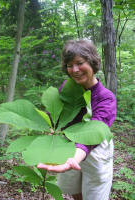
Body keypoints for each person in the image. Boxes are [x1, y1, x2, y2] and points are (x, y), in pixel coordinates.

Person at [37, 39, 117, 200]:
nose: (74, 70)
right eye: (69, 65)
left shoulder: (105, 97)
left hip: (96, 149)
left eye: (80, 63)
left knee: (95, 195)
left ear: (92, 62)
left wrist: (75, 157)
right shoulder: (67, 87)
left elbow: (96, 131)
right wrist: (51, 128)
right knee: (73, 189)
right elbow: (57, 113)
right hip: (68, 143)